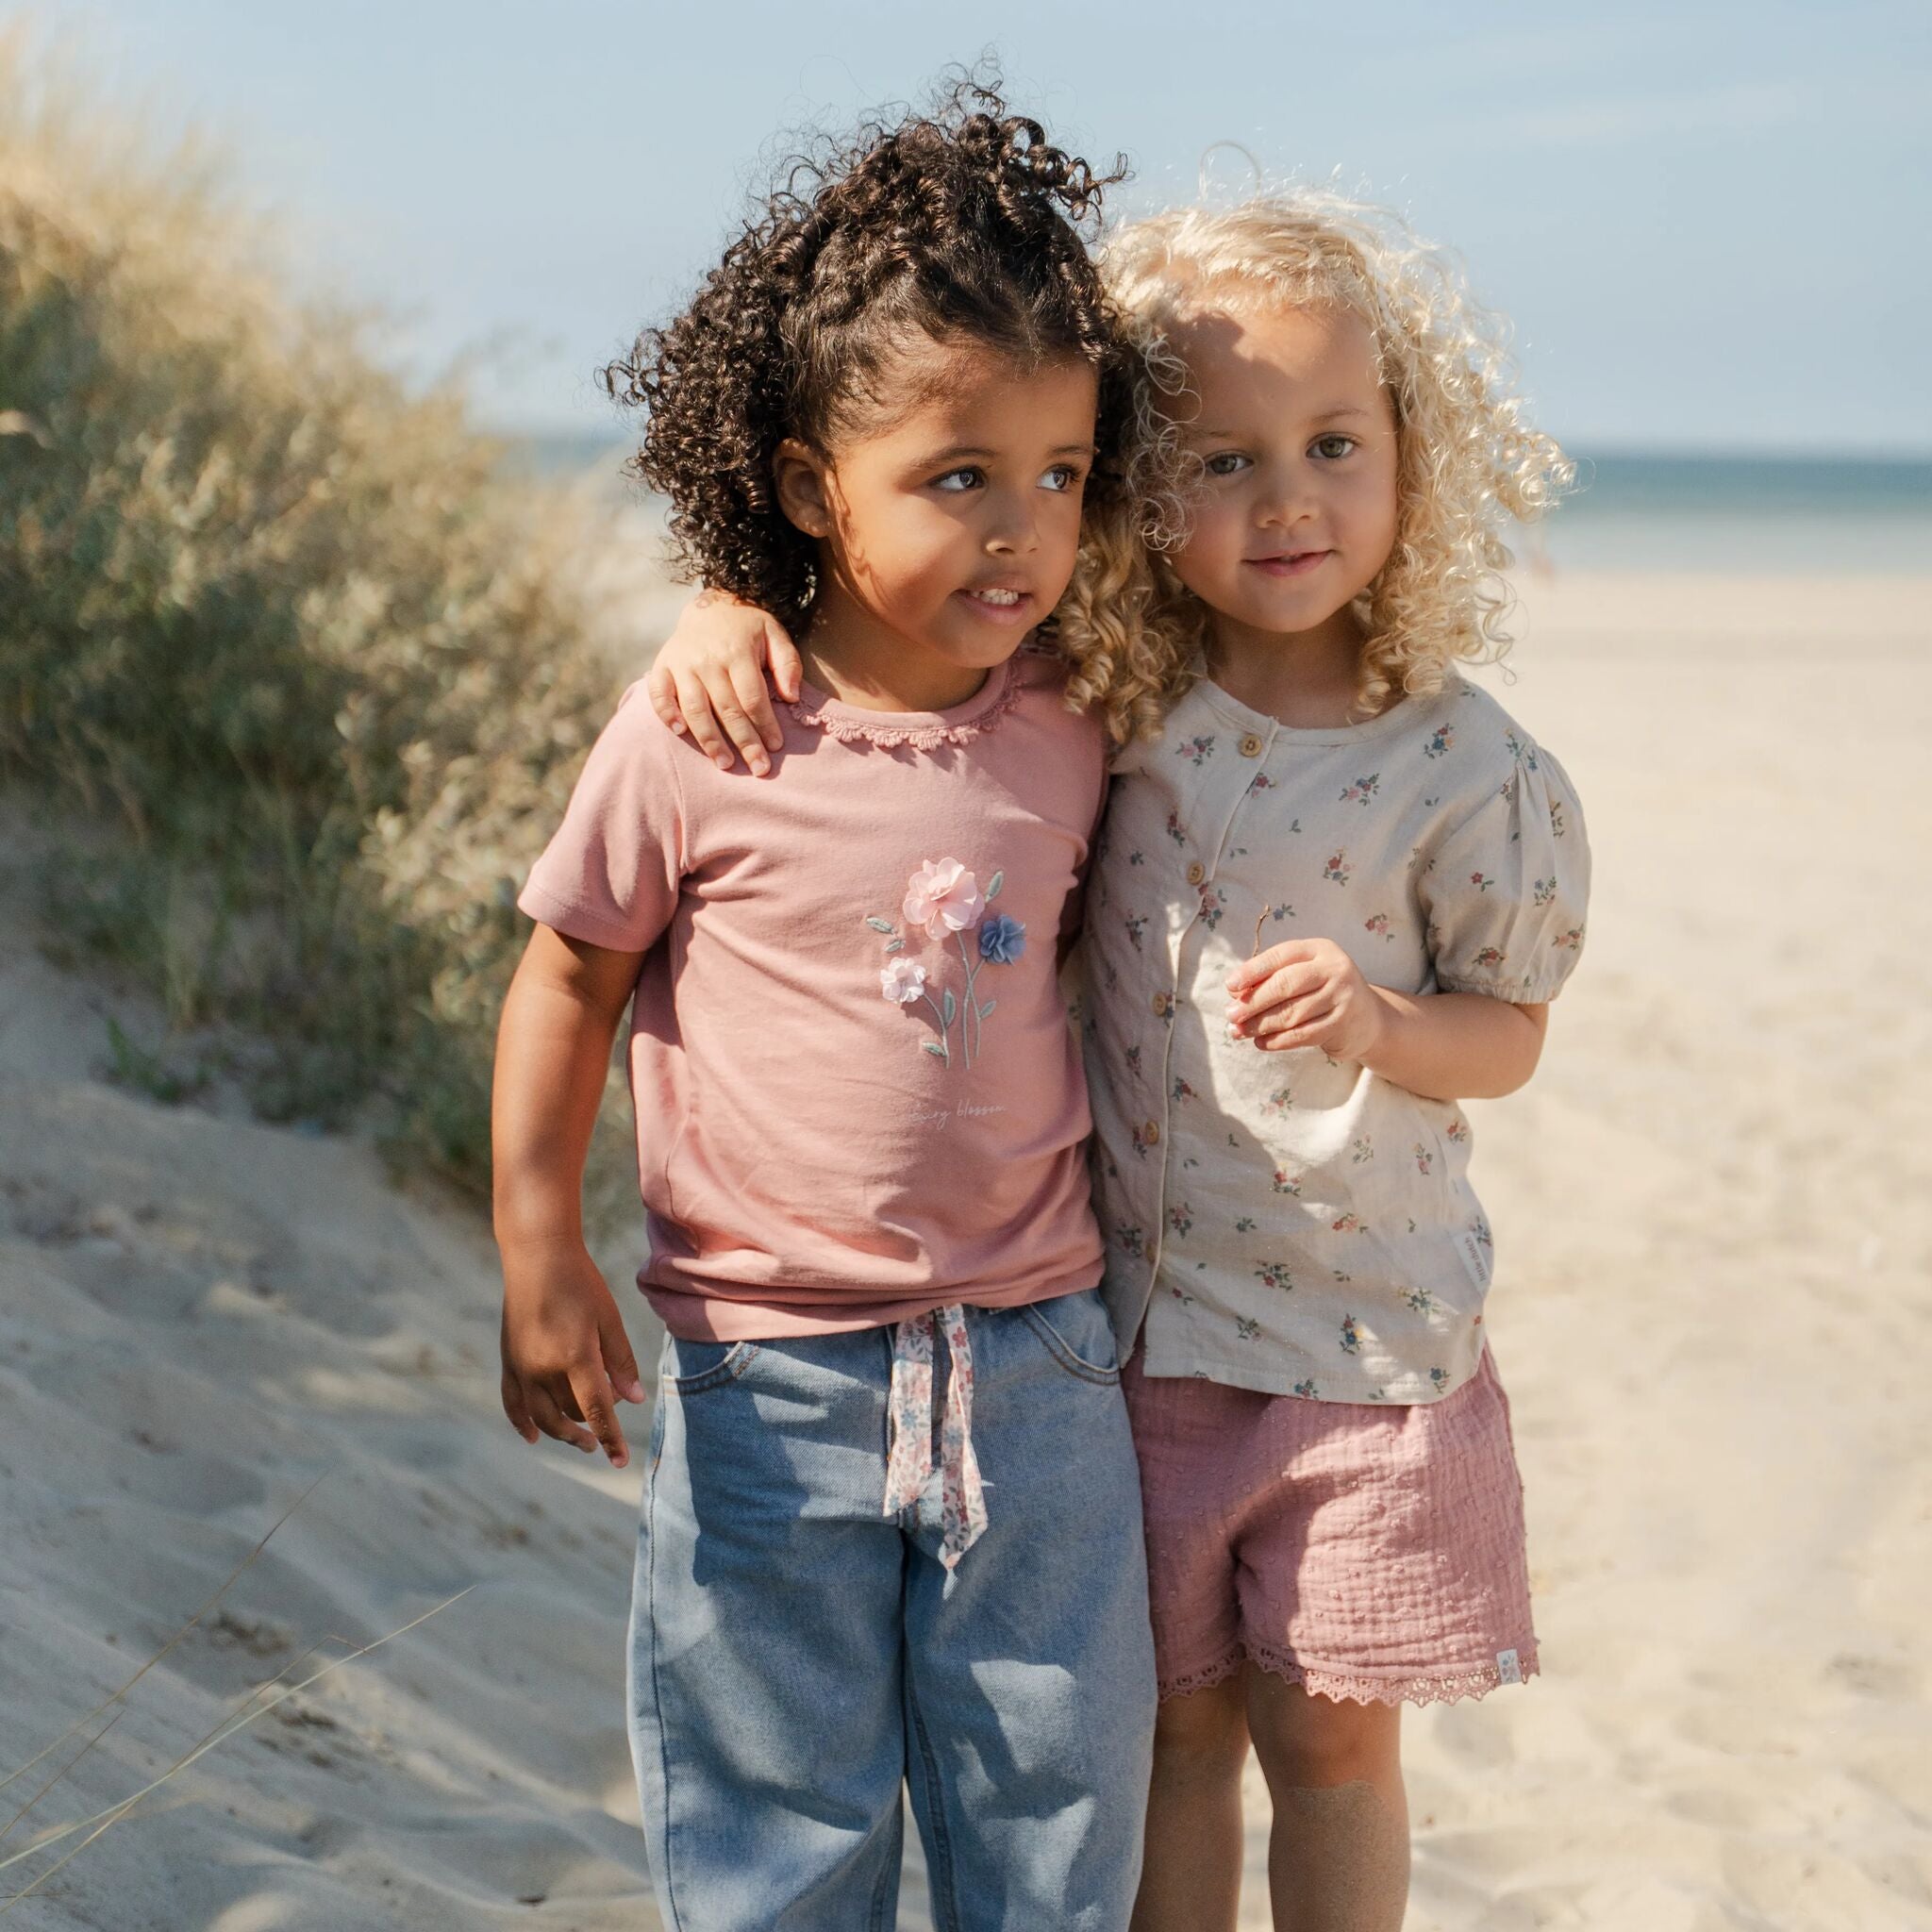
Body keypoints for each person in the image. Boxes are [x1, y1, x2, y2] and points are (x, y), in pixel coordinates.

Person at [642, 184, 1590, 1932]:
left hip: (1365, 1344)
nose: (1286, 499)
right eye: (1223, 459)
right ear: (1147, 485)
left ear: (1412, 453)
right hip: (1134, 1340)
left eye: (1333, 445)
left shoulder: (1470, 769)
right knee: (1169, 1738)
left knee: (1335, 1746)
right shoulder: (1104, 698)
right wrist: (725, 596)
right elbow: (902, 598)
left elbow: (1511, 1036)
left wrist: (1384, 1025)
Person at [491, 79, 1162, 1932]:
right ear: (808, 487)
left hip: (1037, 1368)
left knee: (1056, 1819)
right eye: (959, 477)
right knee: (776, 1831)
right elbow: (568, 971)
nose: (1022, 532)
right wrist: (535, 1238)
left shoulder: (1079, 718)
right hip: (765, 1377)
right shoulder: (702, 729)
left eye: (1061, 473)